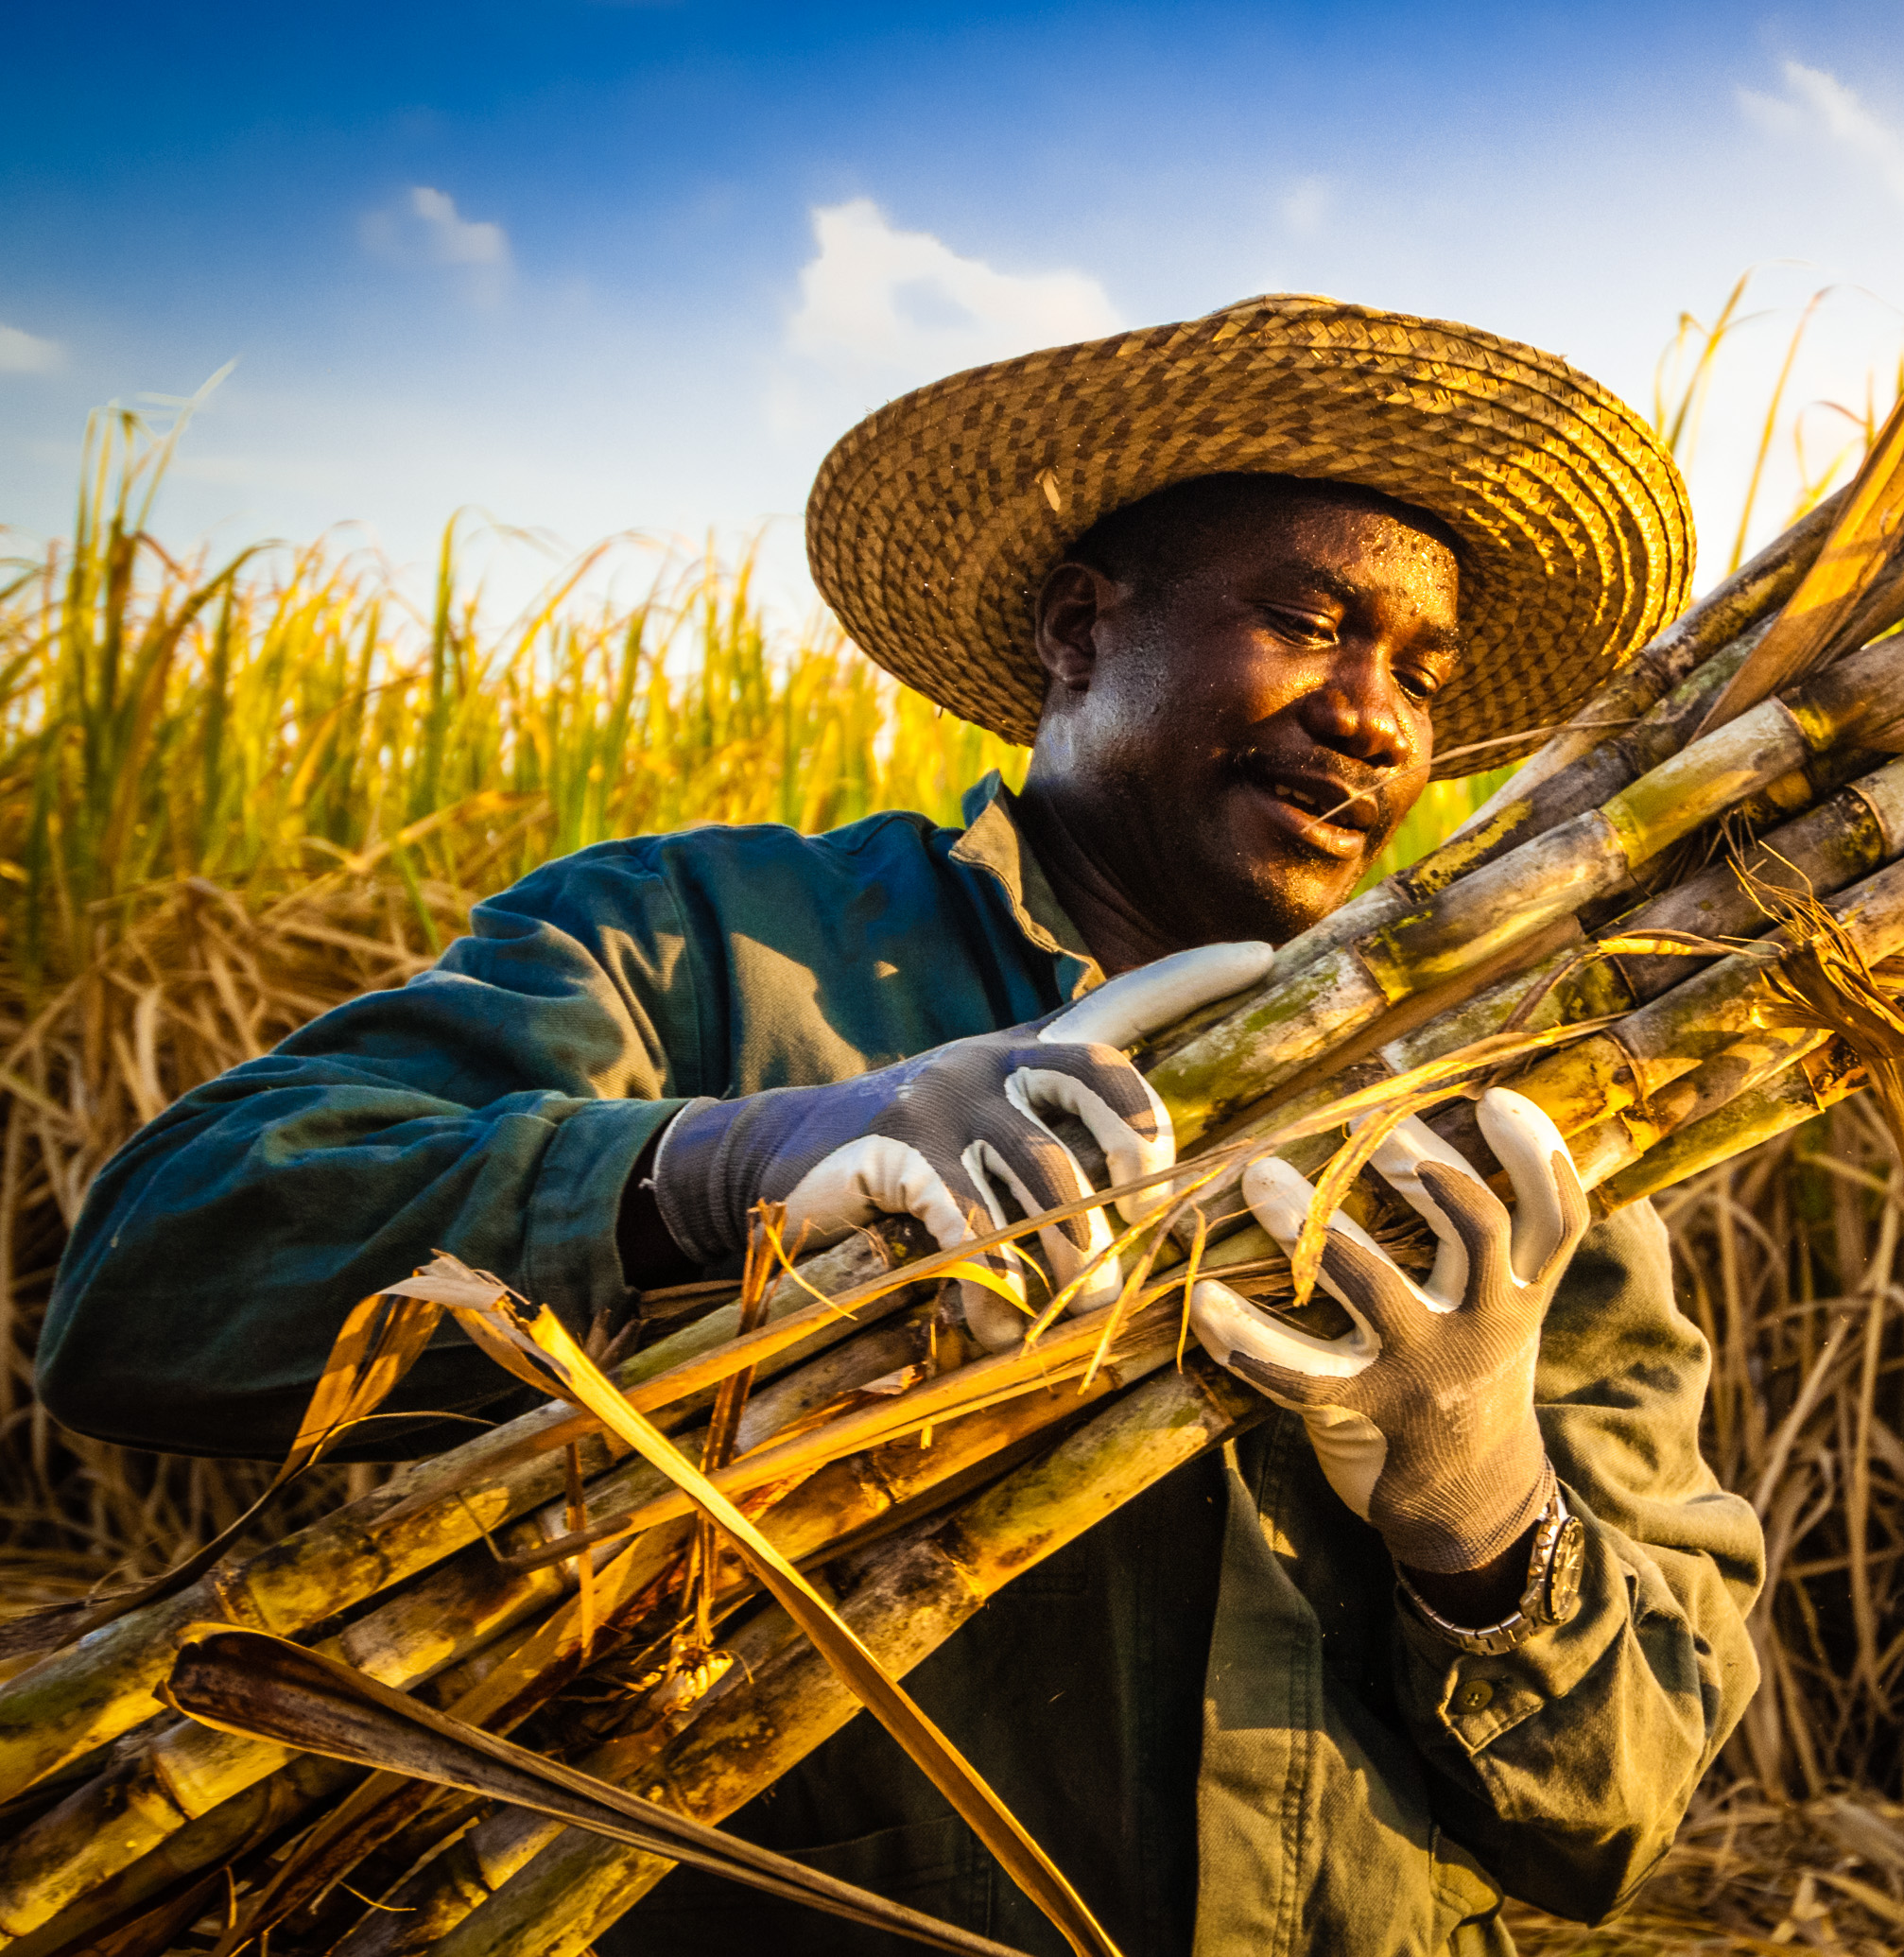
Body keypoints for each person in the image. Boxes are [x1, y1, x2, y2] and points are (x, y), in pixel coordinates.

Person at [40, 296, 1765, 1956]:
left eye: (1419, 668)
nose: (1375, 714)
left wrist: (1481, 1507)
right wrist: (729, 1163)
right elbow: (151, 1279)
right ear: (1079, 630)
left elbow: (1616, 1821)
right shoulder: (713, 945)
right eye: (1311, 624)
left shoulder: (1498, 1126)